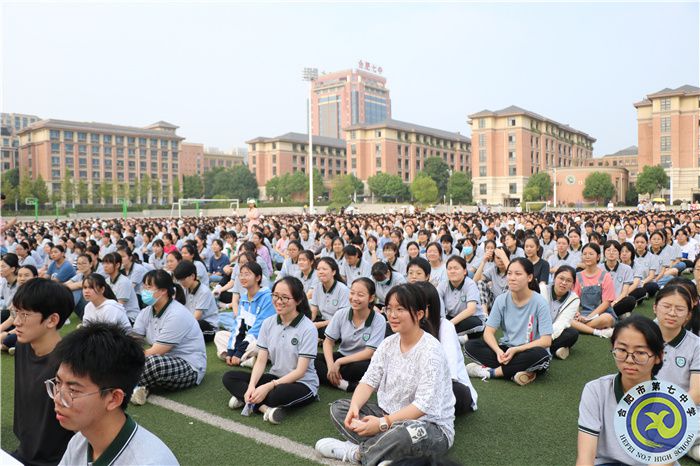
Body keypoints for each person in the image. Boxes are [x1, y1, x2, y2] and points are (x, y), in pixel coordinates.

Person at [315, 284, 455, 465]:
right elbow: (368, 381)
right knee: (339, 409)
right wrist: (355, 407)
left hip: (429, 426)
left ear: (419, 314)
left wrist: (383, 423)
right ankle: (384, 451)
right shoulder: (388, 343)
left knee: (405, 434)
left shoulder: (431, 350)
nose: (392, 315)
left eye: (400, 309)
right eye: (389, 309)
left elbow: (422, 406)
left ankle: (358, 453)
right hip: (387, 414)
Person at [52, 323, 179, 466]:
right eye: (57, 383)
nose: (57, 398)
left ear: (114, 398)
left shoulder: (150, 462)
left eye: (73, 390)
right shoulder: (79, 441)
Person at [222, 277, 319, 424]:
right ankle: (263, 408)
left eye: (285, 297)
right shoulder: (268, 323)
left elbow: (300, 371)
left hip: (302, 383)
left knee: (275, 396)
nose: (279, 301)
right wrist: (252, 386)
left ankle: (246, 398)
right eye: (275, 296)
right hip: (275, 376)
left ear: (298, 300)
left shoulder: (308, 328)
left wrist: (268, 386)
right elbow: (261, 361)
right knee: (229, 377)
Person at [576, 316, 665, 465]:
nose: (630, 360)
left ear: (658, 356)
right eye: (622, 350)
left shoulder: (671, 400)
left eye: (640, 352)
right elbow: (586, 456)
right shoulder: (596, 390)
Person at [11, 278, 75, 466]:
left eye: (24, 315)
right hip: (25, 452)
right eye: (16, 313)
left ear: (52, 320)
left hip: (56, 461)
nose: (16, 321)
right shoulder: (23, 347)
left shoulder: (69, 364)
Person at [464, 258, 553, 386]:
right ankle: (520, 371)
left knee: (541, 356)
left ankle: (491, 373)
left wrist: (517, 350)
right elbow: (488, 332)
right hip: (506, 350)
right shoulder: (501, 300)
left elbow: (546, 341)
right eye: (509, 273)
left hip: (529, 350)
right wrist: (498, 351)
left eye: (518, 274)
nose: (512, 278)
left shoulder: (540, 302)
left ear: (529, 277)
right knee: (470, 346)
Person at [129, 270, 207, 406]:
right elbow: (133, 341)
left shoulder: (176, 314)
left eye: (149, 287)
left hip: (189, 365)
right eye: (144, 286)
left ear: (163, 291)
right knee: (120, 355)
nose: (144, 291)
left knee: (151, 364)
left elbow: (157, 351)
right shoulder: (146, 312)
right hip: (163, 359)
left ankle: (124, 384)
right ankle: (138, 386)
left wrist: (125, 360)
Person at [415, 281, 478, 416]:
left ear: (429, 307)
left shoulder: (445, 326)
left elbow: (449, 374)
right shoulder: (410, 326)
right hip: (419, 384)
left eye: (418, 306)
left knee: (458, 392)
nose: (413, 310)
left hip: (447, 385)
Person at [652, 284, 700, 461]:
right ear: (655, 307)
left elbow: (697, 393)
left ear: (688, 315)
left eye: (679, 309)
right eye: (666, 306)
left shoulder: (696, 346)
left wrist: (669, 409)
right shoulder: (642, 338)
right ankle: (691, 448)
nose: (672, 313)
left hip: (686, 409)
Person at [316, 278, 386, 392]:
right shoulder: (341, 314)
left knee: (362, 368)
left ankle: (335, 378)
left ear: (371, 298)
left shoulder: (379, 320)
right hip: (343, 355)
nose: (354, 298)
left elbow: (369, 353)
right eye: (352, 293)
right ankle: (345, 385)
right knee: (312, 360)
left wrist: (338, 363)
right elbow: (328, 342)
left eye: (360, 295)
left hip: (362, 361)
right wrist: (330, 366)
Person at [213, 262, 275, 365]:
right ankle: (247, 360)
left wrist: (239, 351)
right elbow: (238, 326)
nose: (242, 277)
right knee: (220, 335)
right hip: (247, 339)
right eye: (241, 274)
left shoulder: (267, 298)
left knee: (258, 345)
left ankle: (244, 358)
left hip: (263, 339)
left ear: (258, 277)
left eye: (247, 274)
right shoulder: (244, 298)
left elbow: (259, 328)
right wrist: (231, 351)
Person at [570, 243, 616, 339]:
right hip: (582, 314)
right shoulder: (577, 276)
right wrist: (577, 314)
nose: (587, 256)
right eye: (585, 254)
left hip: (601, 314)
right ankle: (597, 331)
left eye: (591, 254)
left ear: (598, 257)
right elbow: (574, 299)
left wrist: (589, 318)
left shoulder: (605, 276)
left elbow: (606, 303)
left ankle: (581, 328)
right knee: (568, 320)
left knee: (606, 319)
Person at [439, 255, 485, 341]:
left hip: (470, 318)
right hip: (452, 317)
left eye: (456, 268)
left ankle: (451, 336)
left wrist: (448, 324)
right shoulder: (443, 285)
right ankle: (457, 337)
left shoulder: (470, 284)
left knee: (475, 324)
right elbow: (437, 303)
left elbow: (471, 310)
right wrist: (443, 322)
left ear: (464, 271)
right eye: (449, 268)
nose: (452, 271)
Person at [173, 261, 219, 342]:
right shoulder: (184, 288)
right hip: (192, 323)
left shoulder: (204, 291)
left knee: (197, 324)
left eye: (183, 279)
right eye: (179, 280)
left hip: (209, 328)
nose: (181, 282)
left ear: (192, 276)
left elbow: (196, 317)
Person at [543, 266, 581, 360]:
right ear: (554, 278)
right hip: (537, 329)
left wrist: (545, 340)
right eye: (561, 278)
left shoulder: (574, 299)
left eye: (568, 280)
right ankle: (557, 350)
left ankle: (543, 349)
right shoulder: (543, 290)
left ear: (572, 284)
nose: (564, 283)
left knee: (572, 333)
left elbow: (562, 323)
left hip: (553, 333)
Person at [310, 257, 350, 337]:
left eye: (324, 269)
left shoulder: (343, 289)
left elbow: (340, 318)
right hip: (323, 321)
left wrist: (318, 324)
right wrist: (308, 323)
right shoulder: (317, 287)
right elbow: (313, 311)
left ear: (333, 272)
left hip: (339, 323)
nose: (320, 272)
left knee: (328, 331)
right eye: (318, 269)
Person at [600, 240, 636, 319]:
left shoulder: (627, 269)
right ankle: (615, 315)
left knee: (631, 300)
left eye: (615, 250)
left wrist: (614, 302)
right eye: (608, 250)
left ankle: (607, 315)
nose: (611, 253)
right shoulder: (599, 268)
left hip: (618, 301)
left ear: (619, 253)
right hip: (602, 303)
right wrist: (605, 304)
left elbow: (624, 292)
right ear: (604, 253)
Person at [102, 252, 141, 323]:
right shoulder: (106, 281)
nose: (105, 266)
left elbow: (119, 306)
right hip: (115, 315)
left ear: (117, 265)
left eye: (108, 263)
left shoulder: (124, 282)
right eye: (104, 263)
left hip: (129, 317)